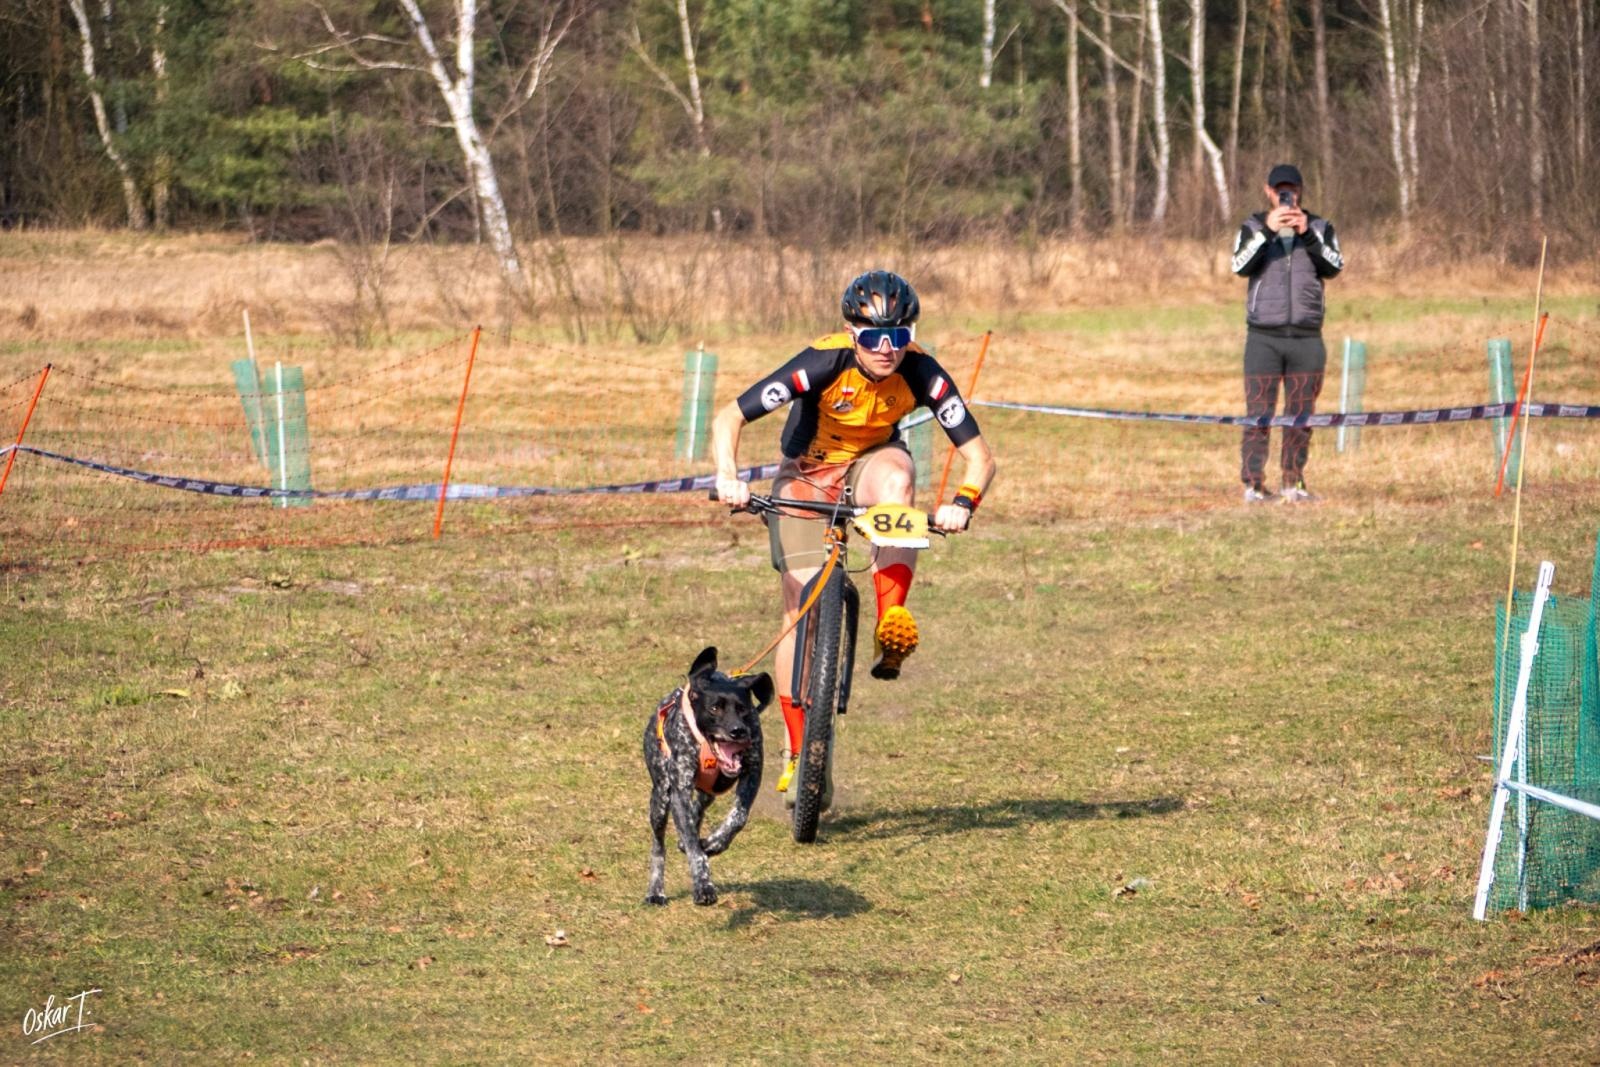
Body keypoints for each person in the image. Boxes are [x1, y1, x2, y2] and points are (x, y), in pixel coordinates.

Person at [710, 270, 997, 798]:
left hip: (870, 467)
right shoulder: (821, 362)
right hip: (807, 476)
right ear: (850, 333)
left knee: (899, 478)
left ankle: (892, 622)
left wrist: (962, 503)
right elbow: (730, 416)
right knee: (801, 608)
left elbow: (980, 457)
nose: (886, 349)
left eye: (899, 336)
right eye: (872, 337)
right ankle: (799, 753)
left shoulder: (924, 373)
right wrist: (729, 476)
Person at [1230, 163, 1344, 503]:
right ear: (1268, 191)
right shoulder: (1251, 226)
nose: (1286, 196)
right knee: (1258, 415)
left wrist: (1307, 233)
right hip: (1263, 337)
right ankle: (1252, 484)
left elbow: (1335, 266)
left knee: (1300, 417)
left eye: (1291, 190)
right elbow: (1239, 266)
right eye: (1279, 190)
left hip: (1308, 338)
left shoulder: (1321, 227)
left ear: (1300, 191)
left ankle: (1293, 482)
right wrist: (1267, 231)